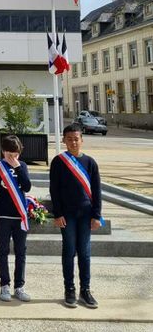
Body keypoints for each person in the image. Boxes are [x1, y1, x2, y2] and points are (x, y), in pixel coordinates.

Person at [50, 123, 102, 309]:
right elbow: (54, 190)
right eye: (69, 139)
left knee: (85, 253)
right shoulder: (58, 162)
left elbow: (96, 191)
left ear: (82, 140)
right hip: (67, 215)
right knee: (69, 251)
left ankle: (85, 290)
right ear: (64, 141)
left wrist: (97, 215)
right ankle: (69, 289)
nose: (73, 142)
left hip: (86, 215)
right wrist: (57, 214)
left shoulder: (90, 162)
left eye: (76, 139)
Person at [0, 135, 32, 302]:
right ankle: (4, 284)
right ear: (3, 152)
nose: (12, 157)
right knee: (3, 250)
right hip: (3, 215)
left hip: (19, 215)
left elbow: (27, 186)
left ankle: (19, 286)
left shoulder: (22, 166)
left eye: (15, 154)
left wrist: (18, 167)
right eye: (9, 154)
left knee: (21, 251)